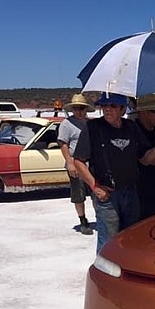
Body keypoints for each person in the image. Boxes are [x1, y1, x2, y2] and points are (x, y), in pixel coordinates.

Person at [73, 92, 144, 253]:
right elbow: (78, 161)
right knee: (108, 244)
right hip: (108, 195)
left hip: (131, 193)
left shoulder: (131, 127)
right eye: (104, 106)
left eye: (112, 106)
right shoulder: (93, 128)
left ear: (122, 109)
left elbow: (144, 157)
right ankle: (104, 275)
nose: (107, 109)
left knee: (130, 240)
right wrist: (95, 187)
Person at [58, 93, 95, 235]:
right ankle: (83, 220)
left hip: (90, 163)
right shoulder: (66, 124)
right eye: (75, 108)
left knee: (95, 192)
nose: (78, 111)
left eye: (81, 108)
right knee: (78, 195)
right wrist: (70, 163)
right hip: (75, 161)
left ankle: (100, 217)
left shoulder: (90, 123)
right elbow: (63, 143)